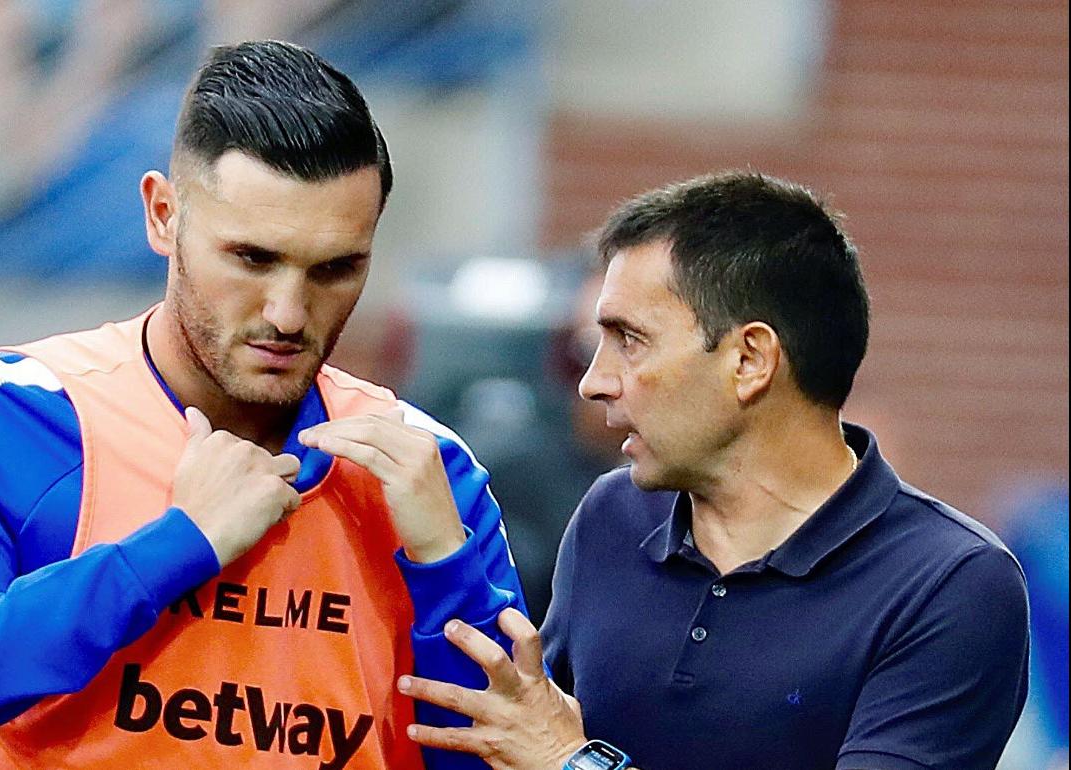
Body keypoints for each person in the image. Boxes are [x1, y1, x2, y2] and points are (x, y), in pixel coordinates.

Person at [0, 40, 525, 769]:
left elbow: (493, 757)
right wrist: (180, 544)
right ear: (163, 214)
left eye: (335, 268)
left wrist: (444, 568)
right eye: (252, 258)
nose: (290, 313)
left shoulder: (431, 471)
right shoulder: (9, 414)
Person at [398, 171, 1031, 770]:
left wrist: (575, 761)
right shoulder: (611, 517)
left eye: (629, 340)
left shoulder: (952, 585)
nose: (594, 383)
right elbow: (522, 737)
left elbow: (553, 750)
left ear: (751, 359)